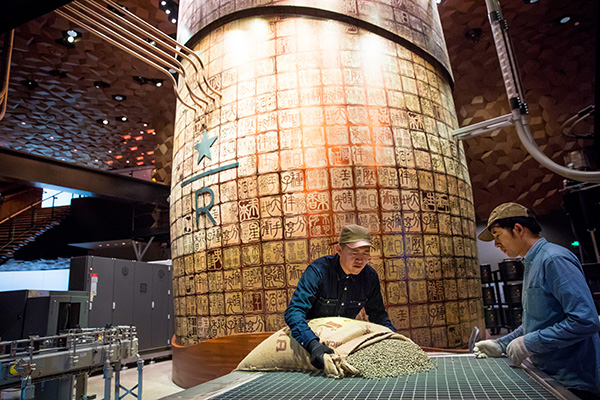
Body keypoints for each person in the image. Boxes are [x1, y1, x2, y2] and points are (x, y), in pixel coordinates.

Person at [474, 202, 600, 399]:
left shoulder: (554, 259)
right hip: (549, 375)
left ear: (518, 229)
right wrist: (503, 343)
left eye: (498, 236)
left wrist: (529, 343)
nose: (496, 244)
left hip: (573, 382)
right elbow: (540, 320)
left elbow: (585, 320)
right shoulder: (532, 261)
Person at [284, 224, 395, 370]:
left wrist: (393, 338)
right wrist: (313, 344)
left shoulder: (369, 276)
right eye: (354, 252)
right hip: (312, 339)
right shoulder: (318, 271)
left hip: (343, 340)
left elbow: (378, 315)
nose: (360, 260)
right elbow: (294, 311)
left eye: (365, 253)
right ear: (339, 250)